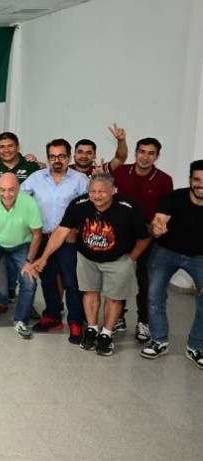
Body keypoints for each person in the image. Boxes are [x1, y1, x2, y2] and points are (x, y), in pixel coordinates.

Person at [33, 173, 150, 356]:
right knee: (89, 293)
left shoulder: (128, 208)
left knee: (113, 297)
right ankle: (92, 329)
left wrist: (131, 259)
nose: (96, 195)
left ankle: (106, 334)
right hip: (88, 258)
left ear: (113, 190)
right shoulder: (80, 204)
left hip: (118, 259)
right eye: (92, 191)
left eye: (102, 191)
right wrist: (44, 257)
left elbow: (144, 237)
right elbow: (61, 231)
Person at [20, 139, 89, 343]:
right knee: (47, 278)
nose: (56, 160)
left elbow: (89, 207)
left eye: (61, 156)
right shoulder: (37, 177)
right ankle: (53, 316)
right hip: (43, 237)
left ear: (69, 157)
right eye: (52, 156)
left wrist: (76, 228)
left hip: (68, 239)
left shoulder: (80, 179)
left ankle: (76, 323)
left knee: (71, 281)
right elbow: (19, 197)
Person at [141, 159, 203, 369]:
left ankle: (196, 346)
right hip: (165, 252)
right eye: (196, 179)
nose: (200, 185)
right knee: (155, 295)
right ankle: (159, 341)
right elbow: (157, 222)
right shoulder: (175, 198)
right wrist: (156, 229)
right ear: (189, 180)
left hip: (200, 258)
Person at [110, 137, 173, 343]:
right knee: (119, 278)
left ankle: (143, 322)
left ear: (157, 156)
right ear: (136, 152)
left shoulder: (164, 180)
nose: (145, 157)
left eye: (150, 153)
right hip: (120, 237)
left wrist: (154, 231)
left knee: (145, 283)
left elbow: (165, 211)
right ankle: (118, 317)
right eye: (142, 152)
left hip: (149, 240)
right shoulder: (120, 173)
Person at [0, 173, 43, 338]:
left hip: (21, 243)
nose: (7, 194)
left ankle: (21, 320)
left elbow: (37, 234)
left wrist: (29, 261)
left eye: (11, 190)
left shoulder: (29, 203)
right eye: (2, 190)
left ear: (18, 189)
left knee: (29, 279)